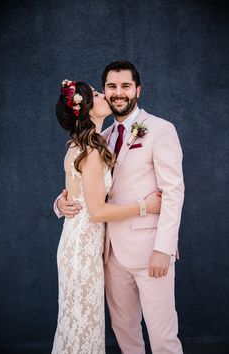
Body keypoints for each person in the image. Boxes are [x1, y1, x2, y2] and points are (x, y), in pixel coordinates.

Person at [55, 60, 184, 354]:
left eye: (125, 86)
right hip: (109, 253)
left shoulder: (161, 129)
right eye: (111, 87)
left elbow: (173, 193)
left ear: (137, 89)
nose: (118, 93)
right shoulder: (102, 137)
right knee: (125, 333)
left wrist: (164, 248)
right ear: (103, 92)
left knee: (162, 336)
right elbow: (85, 188)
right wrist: (61, 204)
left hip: (150, 250)